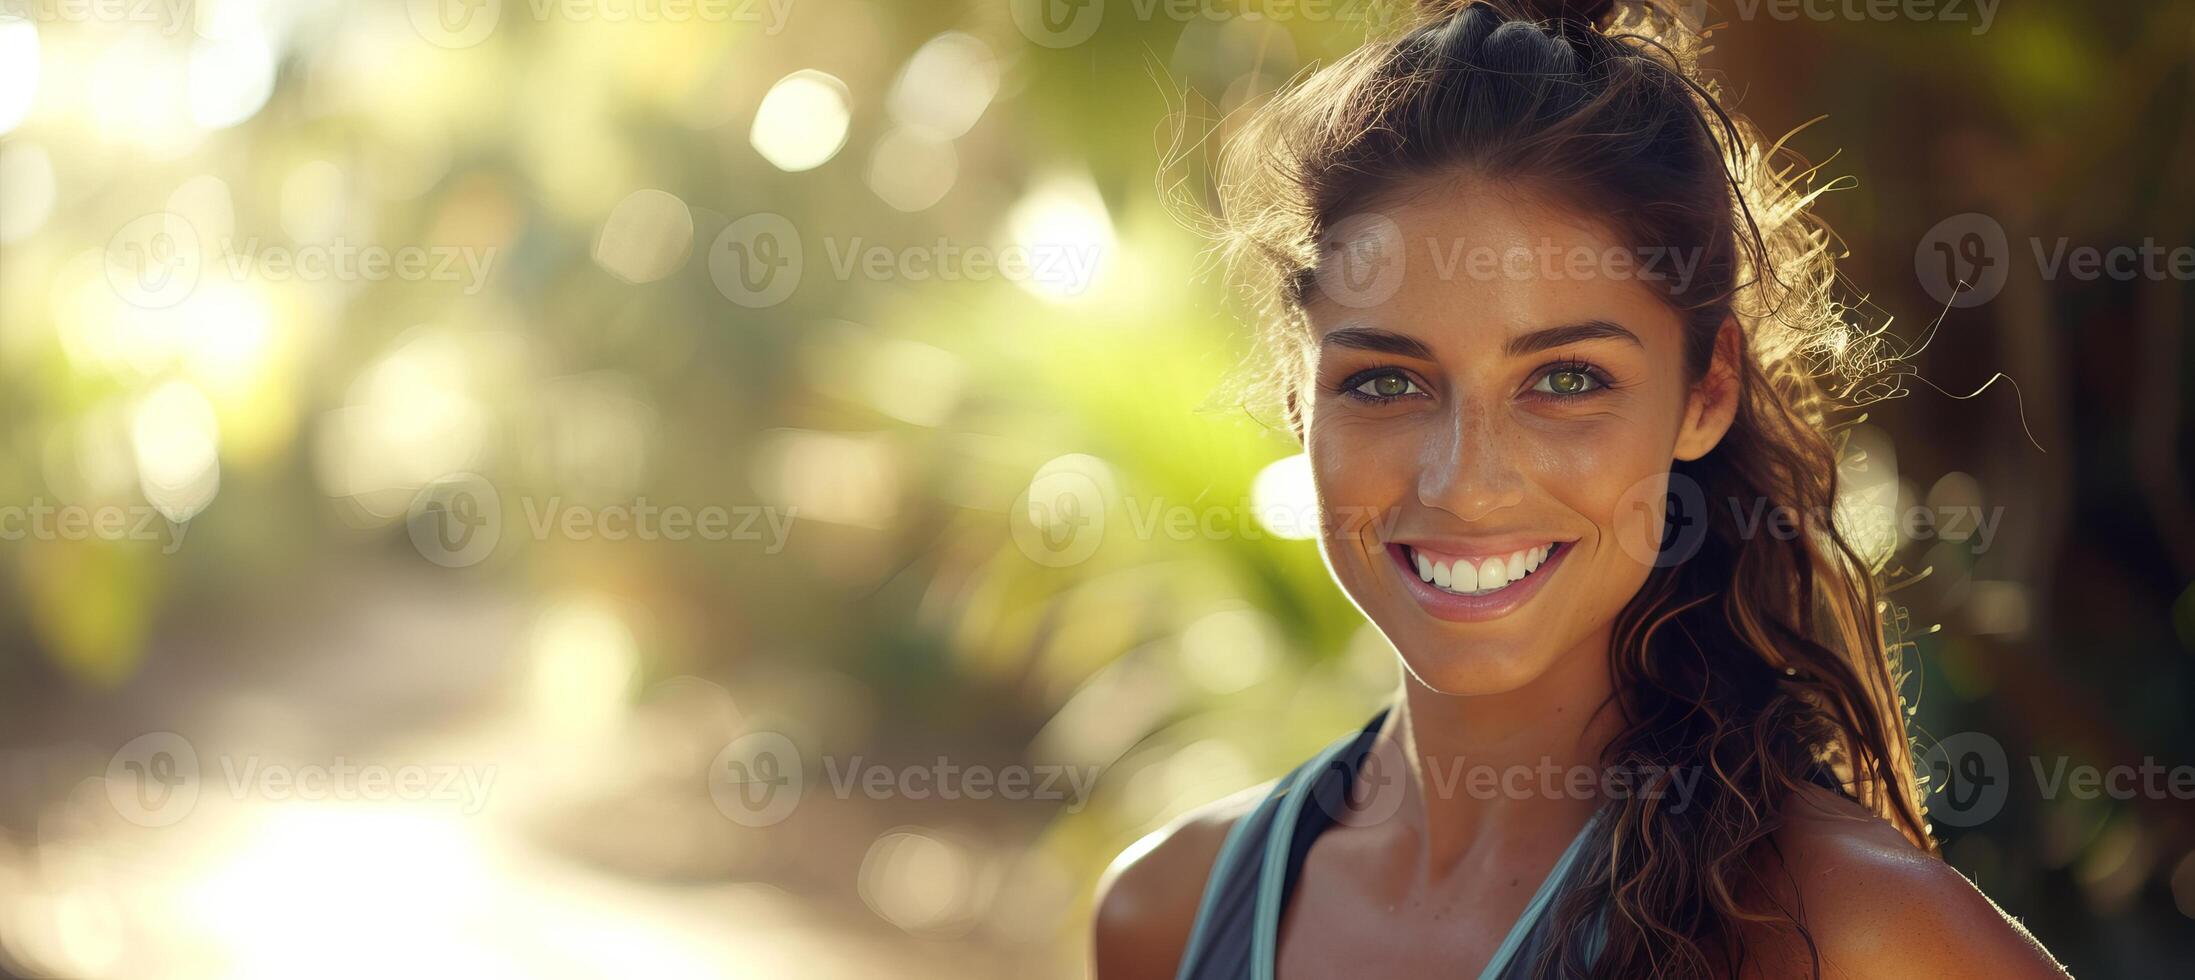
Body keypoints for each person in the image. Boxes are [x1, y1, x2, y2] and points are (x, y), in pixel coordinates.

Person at [1091, 1, 2072, 976]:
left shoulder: (1852, 936)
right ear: (1294, 394)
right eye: (1384, 380)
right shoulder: (1164, 913)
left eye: (1564, 380)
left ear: (1706, 390)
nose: (1464, 483)